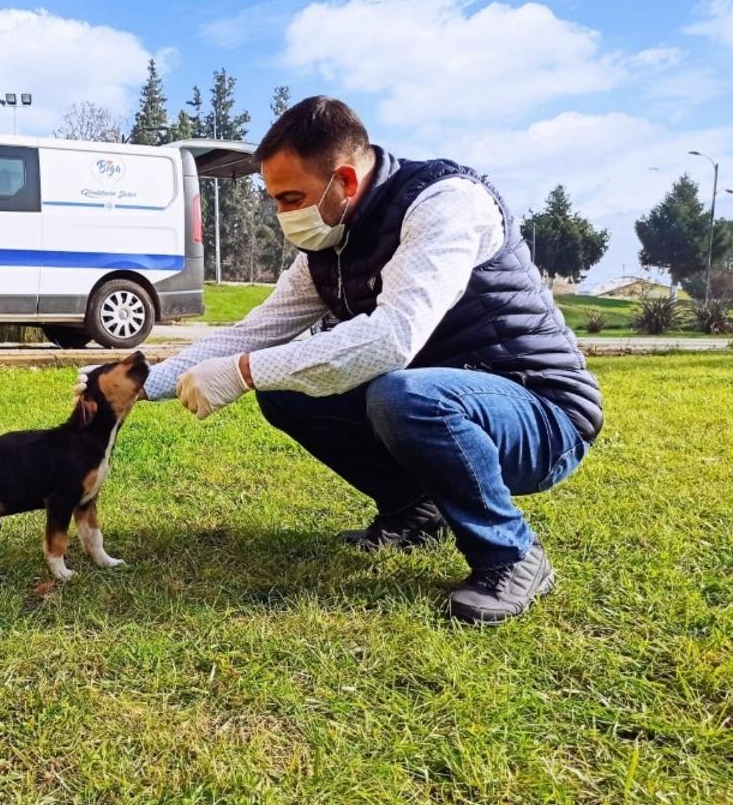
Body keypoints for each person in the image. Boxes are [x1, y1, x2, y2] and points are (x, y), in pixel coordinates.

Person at [108, 96, 603, 624]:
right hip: (441, 399)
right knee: (288, 391)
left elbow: (392, 338)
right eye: (275, 201)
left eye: (292, 198)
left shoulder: (446, 204)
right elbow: (257, 331)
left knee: (403, 396)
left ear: (344, 180)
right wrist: (135, 382)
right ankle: (414, 511)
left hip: (540, 411)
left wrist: (244, 372)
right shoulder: (330, 246)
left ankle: (511, 555)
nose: (283, 216)